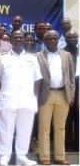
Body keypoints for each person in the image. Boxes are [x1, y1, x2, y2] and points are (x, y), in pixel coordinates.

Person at [0, 30, 42, 165]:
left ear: (24, 39)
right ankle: (4, 157)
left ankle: (21, 157)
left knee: (25, 130)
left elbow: (37, 81)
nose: (18, 39)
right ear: (10, 40)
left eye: (20, 37)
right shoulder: (3, 58)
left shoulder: (32, 59)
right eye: (15, 37)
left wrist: (34, 97)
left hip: (27, 100)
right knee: (5, 130)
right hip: (7, 100)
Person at [36, 30, 75, 165]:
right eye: (49, 38)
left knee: (60, 127)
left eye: (54, 38)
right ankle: (45, 157)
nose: (52, 40)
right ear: (44, 41)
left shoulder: (67, 55)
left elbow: (71, 77)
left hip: (63, 95)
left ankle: (60, 156)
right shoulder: (38, 56)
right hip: (45, 95)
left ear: (58, 40)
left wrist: (71, 95)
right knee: (44, 128)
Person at [63, 30, 79, 151]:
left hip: (79, 84)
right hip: (66, 86)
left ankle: (78, 144)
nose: (73, 39)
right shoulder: (62, 52)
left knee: (78, 116)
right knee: (67, 117)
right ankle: (67, 144)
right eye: (70, 37)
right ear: (66, 39)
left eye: (75, 37)